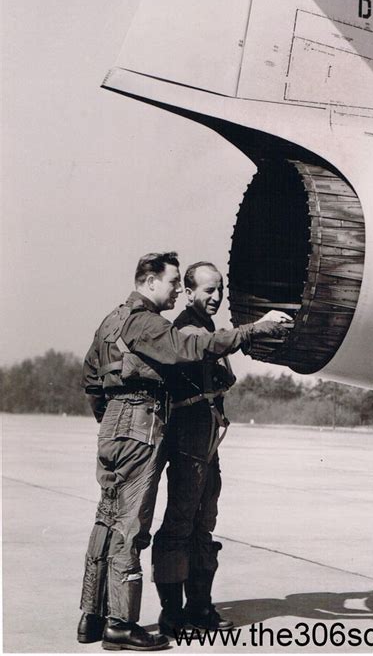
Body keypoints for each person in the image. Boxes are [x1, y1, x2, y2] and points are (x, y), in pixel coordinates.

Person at [77, 252, 290, 651]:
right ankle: (121, 624)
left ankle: (92, 617)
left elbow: (91, 379)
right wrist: (255, 330)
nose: (176, 290)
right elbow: (189, 349)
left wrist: (111, 421)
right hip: (140, 423)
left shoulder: (112, 319)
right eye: (174, 282)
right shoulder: (147, 322)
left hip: (121, 425)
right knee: (131, 526)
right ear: (150, 280)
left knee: (109, 519)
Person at [152, 262, 249, 636]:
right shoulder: (187, 329)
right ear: (189, 293)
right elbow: (207, 349)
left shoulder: (204, 327)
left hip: (207, 438)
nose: (217, 296)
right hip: (190, 437)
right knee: (181, 522)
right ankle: (173, 615)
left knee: (203, 521)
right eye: (208, 290)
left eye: (219, 289)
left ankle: (199, 607)